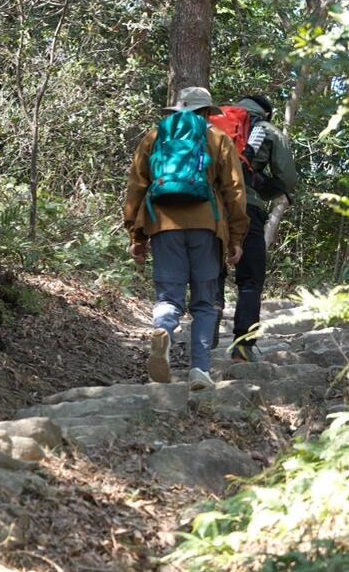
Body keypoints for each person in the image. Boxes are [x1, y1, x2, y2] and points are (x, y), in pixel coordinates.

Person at [124, 84, 248, 381]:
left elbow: (137, 187)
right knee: (204, 303)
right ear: (206, 112)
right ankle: (200, 369)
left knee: (169, 297)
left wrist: (136, 236)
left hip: (163, 225)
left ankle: (163, 331)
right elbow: (234, 190)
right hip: (207, 227)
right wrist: (237, 237)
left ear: (178, 108)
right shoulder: (217, 138)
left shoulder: (155, 136)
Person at [220, 92, 299, 359]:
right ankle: (243, 346)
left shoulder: (213, 123)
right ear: (266, 113)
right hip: (247, 206)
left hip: (208, 208)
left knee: (211, 270)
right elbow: (287, 177)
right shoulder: (268, 130)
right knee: (250, 279)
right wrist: (263, 189)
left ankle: (204, 336)